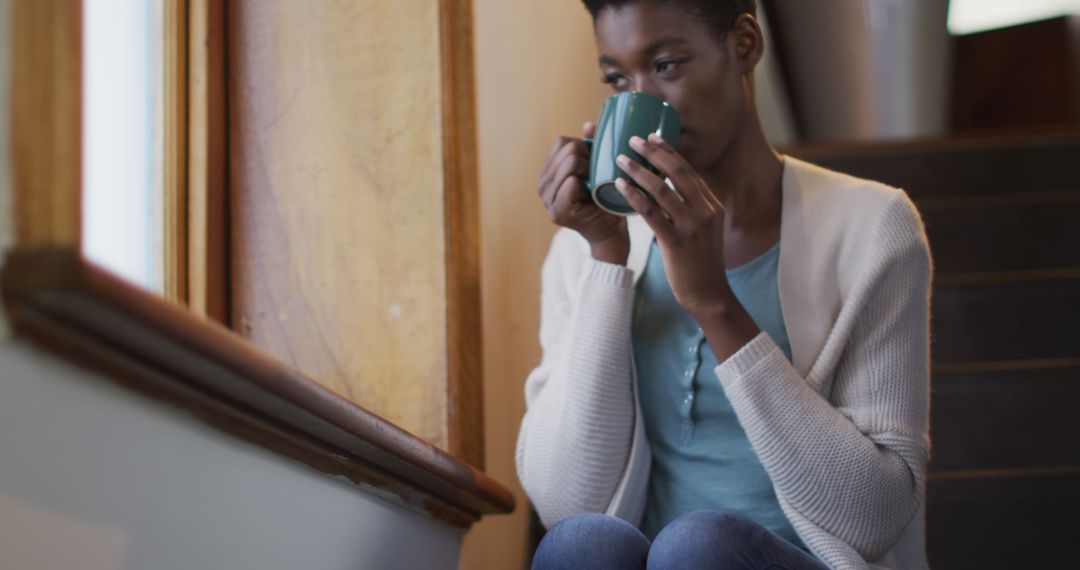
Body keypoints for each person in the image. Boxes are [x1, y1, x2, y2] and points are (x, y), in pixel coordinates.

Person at [515, 0, 933, 569]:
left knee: (700, 548)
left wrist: (715, 304)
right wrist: (606, 257)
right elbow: (565, 504)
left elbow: (874, 516)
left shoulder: (872, 226)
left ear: (744, 45)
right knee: (581, 544)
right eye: (618, 79)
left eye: (666, 65)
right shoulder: (585, 248)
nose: (642, 102)